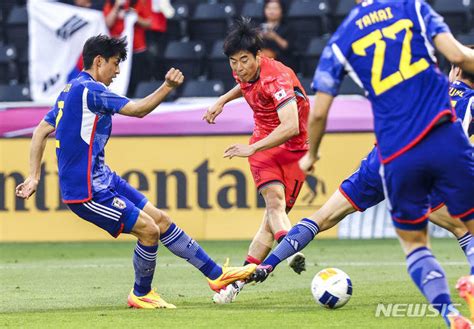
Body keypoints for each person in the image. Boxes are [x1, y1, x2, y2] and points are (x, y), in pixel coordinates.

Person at [249, 1, 474, 327]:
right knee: (464, 228)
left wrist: (311, 155)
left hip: (390, 155)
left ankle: (267, 265)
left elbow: (321, 111)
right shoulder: (413, 8)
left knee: (331, 219)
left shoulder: (342, 38)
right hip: (442, 140)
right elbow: (458, 54)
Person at [15, 35, 256, 309]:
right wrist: (167, 87)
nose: (117, 71)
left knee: (161, 220)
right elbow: (139, 110)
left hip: (103, 178)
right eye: (115, 64)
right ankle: (141, 293)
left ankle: (217, 276)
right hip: (86, 192)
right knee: (149, 231)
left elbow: (40, 131)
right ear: (99, 61)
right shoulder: (92, 90)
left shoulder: (70, 90)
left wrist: (34, 176)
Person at [216, 58, 474, 304]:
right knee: (464, 229)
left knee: (320, 218)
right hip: (418, 171)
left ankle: (266, 267)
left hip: (381, 160)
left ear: (456, 71)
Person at [203, 18, 309, 300]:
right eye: (233, 62)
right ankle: (290, 253)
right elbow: (244, 85)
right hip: (263, 145)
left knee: (269, 222)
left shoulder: (277, 79)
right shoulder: (244, 71)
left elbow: (291, 127)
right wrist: (221, 101)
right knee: (274, 203)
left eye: (244, 61)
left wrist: (251, 148)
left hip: (293, 149)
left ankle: (236, 283)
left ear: (258, 57)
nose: (238, 68)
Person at [103, 0, 152, 97]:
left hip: (137, 50)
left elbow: (148, 24)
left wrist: (134, 17)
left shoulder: (140, 2)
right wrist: (117, 7)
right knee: (117, 82)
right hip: (116, 51)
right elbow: (107, 23)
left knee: (136, 87)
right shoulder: (111, 2)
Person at [259, 0, 295, 69]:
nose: (271, 11)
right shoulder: (259, 27)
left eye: (275, 8)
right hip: (262, 60)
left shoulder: (287, 28)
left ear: (282, 11)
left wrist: (275, 37)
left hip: (281, 60)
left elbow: (288, 47)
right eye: (268, 8)